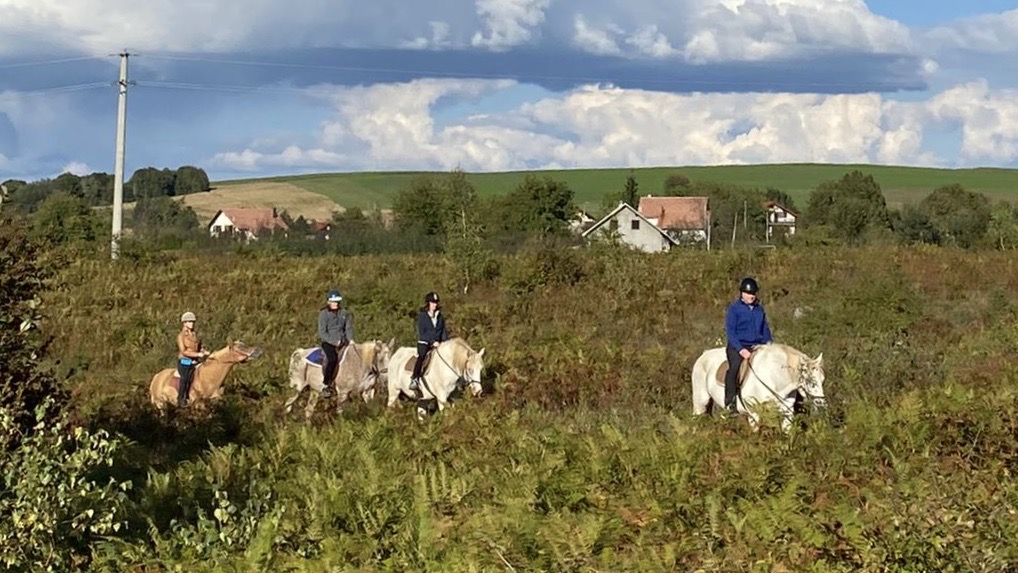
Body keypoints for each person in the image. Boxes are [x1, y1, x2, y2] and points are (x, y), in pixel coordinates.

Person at [723, 277, 773, 414]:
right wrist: (741, 349)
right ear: (742, 293)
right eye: (748, 293)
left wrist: (769, 345)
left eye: (753, 293)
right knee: (734, 369)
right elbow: (730, 332)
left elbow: (765, 330)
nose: (751, 296)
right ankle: (730, 403)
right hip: (738, 346)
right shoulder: (734, 309)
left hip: (757, 345)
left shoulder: (759, 310)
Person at [318, 289, 354, 398]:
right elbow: (322, 333)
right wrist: (334, 342)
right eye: (333, 302)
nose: (335, 304)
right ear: (328, 302)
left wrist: (351, 340)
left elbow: (348, 328)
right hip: (329, 343)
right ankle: (326, 384)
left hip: (343, 342)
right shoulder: (323, 314)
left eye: (337, 302)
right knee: (332, 359)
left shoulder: (344, 313)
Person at [410, 291, 447, 391]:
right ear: (428, 303)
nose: (434, 305)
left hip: (438, 344)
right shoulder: (422, 316)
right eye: (432, 302)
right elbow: (423, 332)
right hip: (425, 343)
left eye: (435, 303)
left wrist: (444, 342)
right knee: (421, 357)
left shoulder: (440, 317)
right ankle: (415, 378)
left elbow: (443, 330)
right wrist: (432, 342)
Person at [176, 311, 210, 407]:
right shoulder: (181, 336)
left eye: (192, 322)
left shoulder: (195, 335)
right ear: (184, 323)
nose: (192, 324)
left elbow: (199, 346)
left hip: (196, 361)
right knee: (185, 378)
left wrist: (203, 351)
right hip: (185, 361)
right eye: (189, 322)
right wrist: (198, 354)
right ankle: (181, 398)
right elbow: (184, 351)